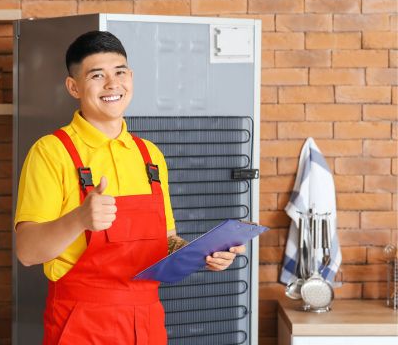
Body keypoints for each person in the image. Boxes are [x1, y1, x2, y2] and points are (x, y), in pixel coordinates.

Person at [15, 31, 245, 344]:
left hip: (147, 322)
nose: (112, 84)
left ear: (131, 77)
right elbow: (27, 252)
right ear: (74, 87)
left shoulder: (150, 155)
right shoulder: (51, 151)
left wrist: (203, 253)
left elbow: (166, 241)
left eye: (120, 72)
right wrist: (79, 219)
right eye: (97, 75)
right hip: (82, 323)